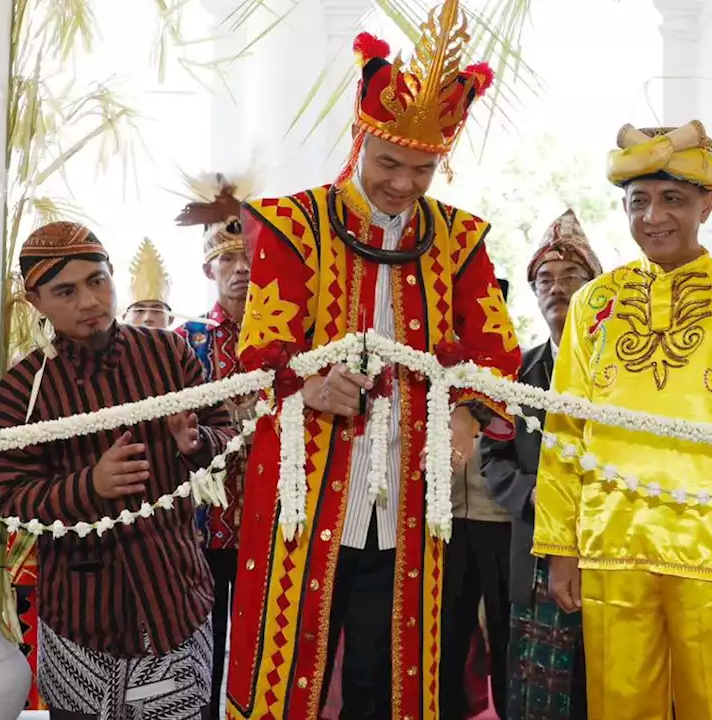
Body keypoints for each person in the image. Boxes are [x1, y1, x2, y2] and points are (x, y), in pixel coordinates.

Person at [224, 2, 522, 717]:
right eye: (389, 162)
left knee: (389, 683)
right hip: (305, 488)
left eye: (423, 170)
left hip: (412, 498)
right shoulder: (293, 226)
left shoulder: (459, 240)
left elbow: (495, 355)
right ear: (359, 139)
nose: (403, 183)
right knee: (285, 664)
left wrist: (465, 420)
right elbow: (259, 356)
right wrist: (308, 386)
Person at [531, 122, 712, 720]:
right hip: (612, 545)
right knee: (618, 706)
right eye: (639, 202)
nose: (653, 216)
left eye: (672, 199)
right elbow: (565, 432)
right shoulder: (593, 305)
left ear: (706, 204)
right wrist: (560, 545)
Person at [0, 220, 236, 720]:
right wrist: (90, 486)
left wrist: (197, 442)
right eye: (65, 291)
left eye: (97, 281)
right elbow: (9, 496)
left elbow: (227, 434)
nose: (88, 302)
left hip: (177, 607)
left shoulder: (169, 353)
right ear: (36, 300)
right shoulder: (25, 387)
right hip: (82, 620)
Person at [481, 209, 601, 720]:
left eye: (571, 277)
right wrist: (541, 496)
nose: (557, 289)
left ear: (595, 288)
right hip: (533, 549)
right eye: (544, 280)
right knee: (536, 691)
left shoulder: (626, 366)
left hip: (609, 543)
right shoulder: (515, 373)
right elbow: (494, 458)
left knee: (607, 681)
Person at [174, 176, 258, 720]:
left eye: (251, 257)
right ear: (210, 270)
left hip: (271, 522)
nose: (243, 269)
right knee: (199, 651)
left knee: (262, 651)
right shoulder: (187, 339)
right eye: (229, 260)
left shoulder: (288, 339)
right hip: (201, 526)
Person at [441, 277, 517, 720]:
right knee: (449, 628)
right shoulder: (435, 366)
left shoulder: (507, 370)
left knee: (505, 632)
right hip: (446, 521)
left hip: (499, 519)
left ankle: (509, 709)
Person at [123, 237, 173, 329]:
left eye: (157, 310)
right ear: (125, 317)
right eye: (140, 310)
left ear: (170, 318)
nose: (148, 318)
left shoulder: (181, 343)